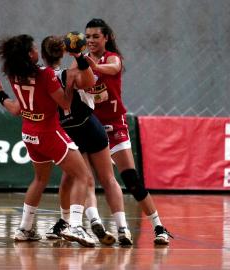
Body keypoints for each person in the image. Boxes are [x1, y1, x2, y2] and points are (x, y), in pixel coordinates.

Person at [0, 34, 95, 247]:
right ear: (30, 54)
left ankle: (24, 229)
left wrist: (0, 94)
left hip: (29, 133)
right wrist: (70, 84)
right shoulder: (45, 74)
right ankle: (75, 226)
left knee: (39, 180)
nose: (37, 50)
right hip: (49, 132)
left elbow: (16, 109)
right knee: (83, 175)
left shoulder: (14, 76)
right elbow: (65, 104)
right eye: (34, 47)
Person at [75, 18, 172, 244]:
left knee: (132, 180)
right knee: (86, 178)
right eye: (87, 37)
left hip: (114, 126)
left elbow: (115, 67)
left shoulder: (111, 58)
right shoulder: (80, 62)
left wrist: (94, 66)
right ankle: (94, 223)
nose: (90, 40)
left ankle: (159, 227)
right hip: (90, 127)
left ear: (106, 37)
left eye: (95, 36)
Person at [40, 35, 132, 246]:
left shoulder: (39, 77)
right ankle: (122, 228)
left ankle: (82, 221)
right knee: (107, 178)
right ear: (63, 52)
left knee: (78, 179)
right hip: (89, 125)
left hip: (67, 130)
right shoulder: (70, 72)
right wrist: (80, 58)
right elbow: (90, 81)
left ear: (43, 55)